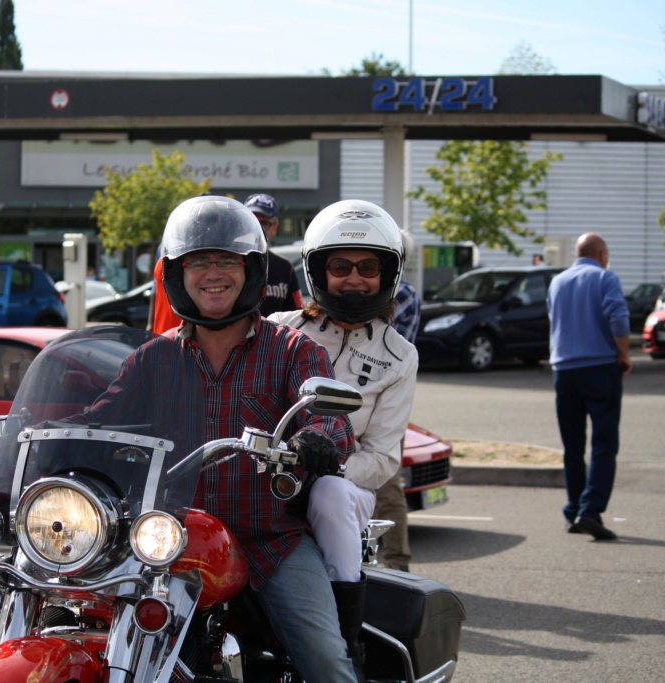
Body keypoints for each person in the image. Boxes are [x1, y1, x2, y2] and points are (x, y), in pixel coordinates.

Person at [78, 195, 362, 683]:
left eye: (227, 260)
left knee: (327, 661)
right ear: (177, 275)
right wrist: (30, 433)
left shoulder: (292, 350)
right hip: (167, 545)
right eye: (199, 262)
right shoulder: (152, 359)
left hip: (268, 539)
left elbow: (332, 424)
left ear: (250, 271)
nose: (214, 273)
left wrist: (317, 439)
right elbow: (96, 422)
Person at [269, 199, 418, 678]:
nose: (355, 279)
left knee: (331, 495)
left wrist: (328, 465)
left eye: (368, 267)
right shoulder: (278, 331)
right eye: (340, 266)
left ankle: (343, 639)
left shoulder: (399, 356)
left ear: (388, 274)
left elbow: (382, 459)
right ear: (317, 271)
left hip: (345, 489)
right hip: (264, 477)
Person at [547, 232, 632, 541]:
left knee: (572, 446)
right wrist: (623, 353)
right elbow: (618, 318)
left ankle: (573, 511)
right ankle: (590, 511)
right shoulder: (605, 278)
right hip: (599, 367)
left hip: (564, 371)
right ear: (601, 254)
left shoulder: (558, 282)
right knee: (604, 443)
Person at [370, 246, 423, 572]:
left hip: (382, 397)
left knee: (387, 484)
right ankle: (391, 562)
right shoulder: (407, 291)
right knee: (386, 486)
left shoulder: (399, 292)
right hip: (381, 395)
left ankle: (397, 565)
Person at [244, 193, 303, 316]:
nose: (258, 227)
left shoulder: (285, 268)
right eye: (252, 220)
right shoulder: (229, 263)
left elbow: (297, 315)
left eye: (264, 223)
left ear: (275, 227)